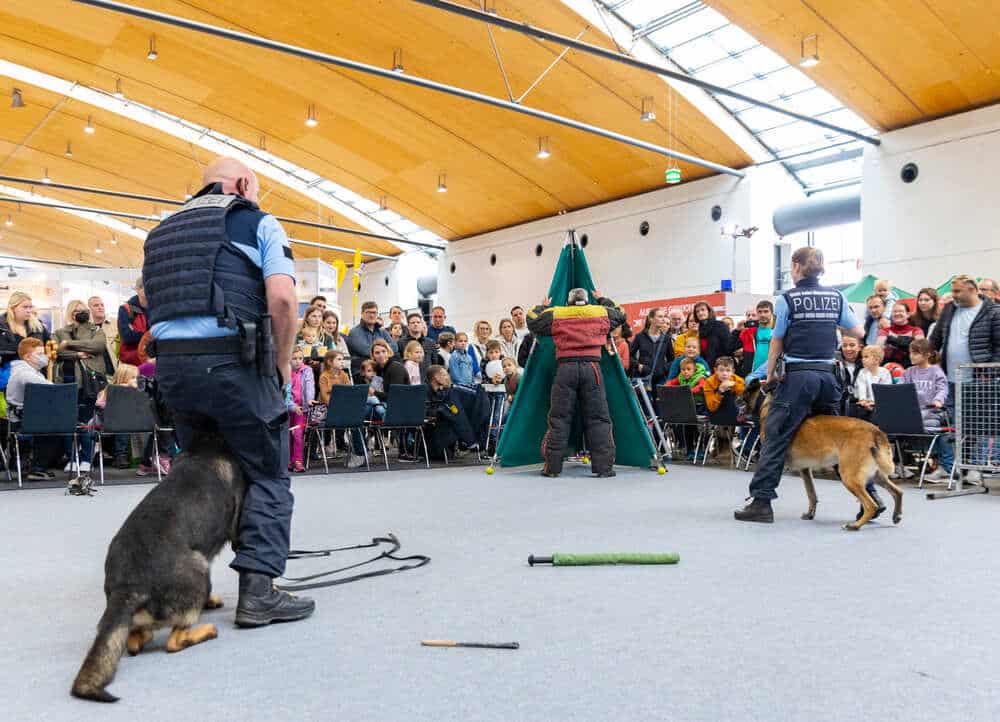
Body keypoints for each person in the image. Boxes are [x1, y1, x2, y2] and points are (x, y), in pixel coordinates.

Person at [144, 156, 314, 626]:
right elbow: (281, 298)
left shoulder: (160, 234)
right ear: (242, 184)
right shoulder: (257, 220)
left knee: (203, 474)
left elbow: (144, 298)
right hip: (234, 363)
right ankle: (259, 592)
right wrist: (280, 364)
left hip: (174, 371)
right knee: (268, 472)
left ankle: (173, 585)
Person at [735, 247, 863, 524]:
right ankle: (870, 502)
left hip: (798, 378)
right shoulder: (837, 297)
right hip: (829, 378)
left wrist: (769, 375)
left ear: (795, 266)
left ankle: (761, 502)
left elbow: (778, 341)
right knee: (843, 439)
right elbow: (858, 331)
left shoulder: (787, 299)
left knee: (776, 435)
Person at [527, 288, 626, 478]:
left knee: (559, 418)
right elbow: (621, 313)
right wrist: (603, 299)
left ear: (568, 301)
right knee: (598, 418)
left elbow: (532, 319)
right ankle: (604, 468)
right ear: (587, 300)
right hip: (592, 368)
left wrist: (543, 305)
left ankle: (552, 468)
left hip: (565, 369)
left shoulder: (556, 313)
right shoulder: (600, 312)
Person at [928, 275, 1000, 482]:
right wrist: (928, 354)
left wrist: (990, 372)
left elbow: (998, 346)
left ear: (972, 289)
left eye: (958, 291)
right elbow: (936, 339)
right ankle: (949, 466)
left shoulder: (993, 312)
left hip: (979, 379)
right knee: (950, 424)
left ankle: (975, 467)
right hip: (949, 378)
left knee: (978, 425)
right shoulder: (950, 308)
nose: (954, 295)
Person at [54, 299, 112, 475]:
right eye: (78, 310)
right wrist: (78, 353)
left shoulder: (97, 330)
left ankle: (86, 458)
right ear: (71, 313)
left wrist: (69, 345)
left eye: (84, 310)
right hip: (66, 380)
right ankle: (72, 458)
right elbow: (58, 350)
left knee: (87, 422)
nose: (82, 313)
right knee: (68, 422)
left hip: (90, 382)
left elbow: (98, 346)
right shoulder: (60, 331)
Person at [5, 337, 56, 481]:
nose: (44, 357)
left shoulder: (34, 371)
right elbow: (50, 388)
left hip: (31, 417)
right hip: (21, 420)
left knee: (55, 427)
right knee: (55, 429)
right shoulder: (24, 373)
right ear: (27, 357)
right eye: (39, 354)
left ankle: (38, 467)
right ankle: (36, 468)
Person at [903, 339, 953, 480]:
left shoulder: (936, 371)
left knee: (930, 425)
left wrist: (938, 400)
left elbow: (943, 389)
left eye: (916, 353)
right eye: (910, 353)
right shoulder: (908, 372)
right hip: (912, 414)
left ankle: (941, 464)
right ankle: (897, 464)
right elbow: (900, 389)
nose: (911, 356)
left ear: (927, 355)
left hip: (932, 413)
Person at [0, 292, 51, 393]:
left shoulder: (38, 326)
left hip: (36, 373)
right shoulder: (1, 326)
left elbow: (49, 344)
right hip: (10, 376)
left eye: (30, 307)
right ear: (13, 308)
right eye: (24, 307)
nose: (29, 310)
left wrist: (45, 356)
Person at [346, 301, 396, 375]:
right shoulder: (354, 332)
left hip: (382, 370)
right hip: (362, 373)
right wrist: (384, 351)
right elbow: (366, 351)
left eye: (374, 313)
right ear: (362, 314)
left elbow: (395, 346)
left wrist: (380, 353)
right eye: (368, 312)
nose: (372, 315)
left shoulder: (382, 331)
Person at [630, 307, 673, 388]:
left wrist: (663, 369)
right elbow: (630, 355)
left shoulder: (667, 338)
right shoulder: (640, 337)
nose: (663, 319)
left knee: (661, 400)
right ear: (651, 319)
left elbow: (671, 360)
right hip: (643, 377)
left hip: (661, 379)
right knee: (645, 400)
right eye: (660, 317)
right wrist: (639, 366)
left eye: (664, 317)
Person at [286, 348, 314, 473]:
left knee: (297, 435)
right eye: (294, 358)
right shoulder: (285, 371)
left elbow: (309, 386)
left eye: (300, 358)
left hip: (302, 409)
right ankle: (287, 461)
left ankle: (297, 460)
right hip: (287, 409)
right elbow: (284, 393)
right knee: (286, 435)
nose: (298, 362)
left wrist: (309, 400)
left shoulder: (307, 370)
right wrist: (292, 406)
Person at [878, 301, 924, 368]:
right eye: (894, 311)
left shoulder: (916, 330)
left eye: (901, 311)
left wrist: (894, 340)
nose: (897, 313)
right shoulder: (885, 330)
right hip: (888, 367)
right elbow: (878, 347)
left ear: (908, 314)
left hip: (910, 368)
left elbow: (921, 348)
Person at [853, 345, 892, 417]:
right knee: (860, 411)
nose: (862, 359)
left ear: (876, 360)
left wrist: (874, 402)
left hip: (880, 403)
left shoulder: (885, 372)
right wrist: (863, 400)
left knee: (878, 413)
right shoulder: (862, 372)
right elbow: (861, 387)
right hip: (864, 403)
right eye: (862, 357)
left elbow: (884, 391)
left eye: (866, 357)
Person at [693, 301, 734, 368]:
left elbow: (728, 347)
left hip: (721, 366)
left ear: (709, 311)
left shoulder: (720, 325)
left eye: (703, 310)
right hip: (704, 367)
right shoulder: (699, 330)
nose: (700, 313)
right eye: (697, 311)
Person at [738, 300, 774, 378]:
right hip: (752, 376)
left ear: (772, 313)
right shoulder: (748, 333)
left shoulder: (777, 332)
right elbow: (733, 348)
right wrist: (737, 330)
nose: (762, 314)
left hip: (773, 375)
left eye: (766, 311)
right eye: (760, 312)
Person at [117, 277, 148, 365]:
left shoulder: (156, 310)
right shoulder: (126, 309)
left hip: (149, 361)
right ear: (138, 289)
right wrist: (149, 336)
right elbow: (127, 337)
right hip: (131, 363)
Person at [834, 336, 863, 415]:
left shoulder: (867, 364)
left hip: (862, 407)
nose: (848, 349)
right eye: (844, 345)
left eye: (852, 345)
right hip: (840, 408)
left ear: (860, 347)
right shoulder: (835, 363)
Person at [88, 296, 118, 371]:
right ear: (89, 309)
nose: (100, 307)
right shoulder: (87, 328)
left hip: (116, 369)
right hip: (97, 372)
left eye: (102, 305)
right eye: (96, 305)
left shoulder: (116, 323)